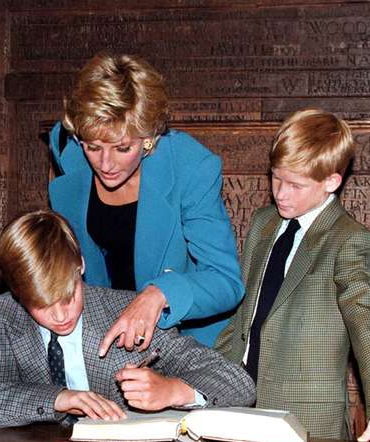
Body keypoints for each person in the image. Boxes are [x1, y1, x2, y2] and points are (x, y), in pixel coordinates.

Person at [215, 109, 370, 442]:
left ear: (331, 181)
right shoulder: (263, 222)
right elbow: (243, 314)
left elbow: (367, 319)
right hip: (236, 404)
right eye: (275, 178)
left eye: (295, 185)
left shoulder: (348, 238)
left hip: (308, 418)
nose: (280, 194)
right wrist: (209, 379)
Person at [0, 210, 254, 428]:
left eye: (68, 296)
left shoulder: (127, 313)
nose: (60, 315)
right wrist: (56, 398)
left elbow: (239, 383)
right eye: (40, 305)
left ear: (81, 266)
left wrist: (173, 391)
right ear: (16, 293)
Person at [49, 53, 243, 355]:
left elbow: (225, 281)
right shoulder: (71, 153)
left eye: (123, 148)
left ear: (149, 138)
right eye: (93, 146)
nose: (105, 163)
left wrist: (160, 294)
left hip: (186, 340)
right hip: (105, 335)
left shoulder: (190, 167)